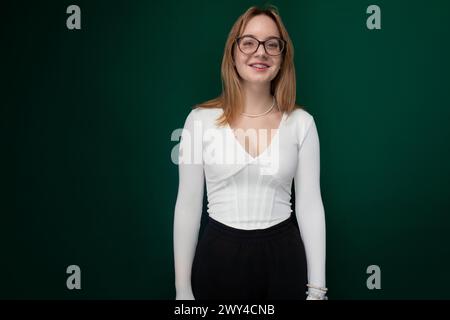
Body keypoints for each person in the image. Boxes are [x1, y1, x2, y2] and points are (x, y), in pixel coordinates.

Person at [173, 5, 327, 300]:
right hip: (217, 262)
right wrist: (182, 291)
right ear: (233, 53)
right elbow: (187, 206)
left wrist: (317, 290)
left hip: (284, 263)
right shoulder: (199, 120)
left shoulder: (302, 124)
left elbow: (310, 205)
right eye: (248, 42)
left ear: (282, 58)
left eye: (272, 44)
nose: (261, 52)